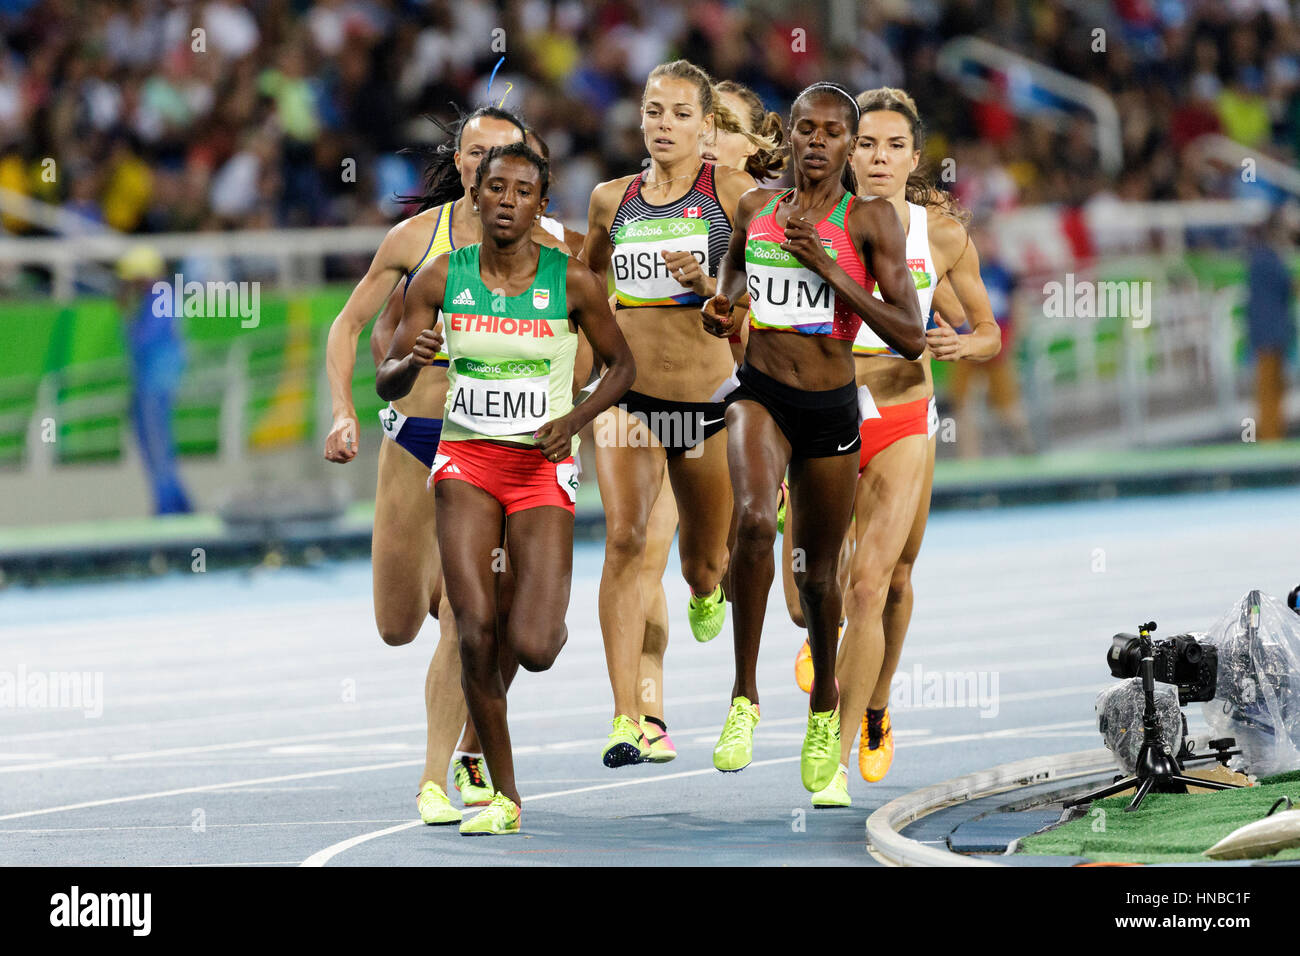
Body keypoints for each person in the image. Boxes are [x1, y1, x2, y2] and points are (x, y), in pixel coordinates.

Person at [322, 105, 571, 825]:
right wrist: (343, 409)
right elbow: (348, 325)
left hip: (497, 448)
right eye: (474, 153)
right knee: (398, 622)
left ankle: (443, 771)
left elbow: (600, 330)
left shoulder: (550, 246)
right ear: (460, 163)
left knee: (466, 615)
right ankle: (462, 749)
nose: (487, 165)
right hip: (413, 437)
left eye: (503, 153)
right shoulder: (415, 240)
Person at [377, 142, 635, 835]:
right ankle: (504, 796)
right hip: (466, 463)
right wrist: (410, 361)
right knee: (473, 629)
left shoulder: (571, 282)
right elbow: (386, 380)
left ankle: (542, 615)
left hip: (539, 469)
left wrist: (574, 419)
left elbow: (622, 366)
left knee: (535, 644)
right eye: (495, 188)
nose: (507, 201)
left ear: (540, 206)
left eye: (523, 191)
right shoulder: (440, 277)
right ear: (478, 196)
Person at [701, 82, 924, 793]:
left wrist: (830, 271)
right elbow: (735, 266)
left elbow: (911, 337)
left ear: (851, 147)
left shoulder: (873, 221)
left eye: (837, 133)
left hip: (831, 407)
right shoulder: (757, 206)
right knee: (753, 519)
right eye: (808, 129)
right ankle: (743, 697)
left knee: (820, 580)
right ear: (790, 136)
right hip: (760, 395)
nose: (820, 142)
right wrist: (724, 303)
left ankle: (827, 703)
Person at [801, 88, 1001, 807]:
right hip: (822, 414)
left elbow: (987, 331)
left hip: (902, 412)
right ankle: (833, 650)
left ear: (914, 159)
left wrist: (962, 342)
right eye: (866, 145)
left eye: (893, 147)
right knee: (815, 587)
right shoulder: (805, 221)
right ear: (846, 151)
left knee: (883, 582)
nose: (878, 158)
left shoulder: (938, 233)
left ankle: (851, 732)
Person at [580, 60, 756, 767]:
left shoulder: (736, 197)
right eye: (654, 111)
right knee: (624, 542)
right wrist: (574, 388)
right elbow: (585, 283)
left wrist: (711, 289)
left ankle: (706, 589)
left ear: (706, 127)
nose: (663, 125)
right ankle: (627, 715)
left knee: (706, 562)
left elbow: (752, 301)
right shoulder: (609, 200)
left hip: (706, 404)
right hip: (629, 400)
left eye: (680, 114)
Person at [631, 79, 786, 763]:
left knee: (712, 563)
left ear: (755, 146)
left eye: (724, 124)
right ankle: (643, 713)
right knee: (639, 546)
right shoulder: (645, 198)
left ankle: (819, 660)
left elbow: (776, 337)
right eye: (706, 120)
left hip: (742, 403)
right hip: (649, 406)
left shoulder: (758, 211)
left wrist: (715, 296)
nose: (709, 134)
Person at [945, 219, 1033, 457]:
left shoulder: (1004, 273)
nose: (982, 244)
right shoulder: (954, 272)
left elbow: (1018, 310)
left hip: (996, 347)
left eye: (985, 238)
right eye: (976, 239)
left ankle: (1026, 452)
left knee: (1008, 407)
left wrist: (1011, 342)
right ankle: (969, 462)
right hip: (964, 346)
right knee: (964, 407)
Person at [118, 245, 193, 516]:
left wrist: (126, 315)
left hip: (155, 384)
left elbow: (141, 341)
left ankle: (170, 507)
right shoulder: (160, 297)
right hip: (154, 381)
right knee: (157, 447)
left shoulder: (159, 298)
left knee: (156, 447)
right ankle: (176, 504)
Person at [1245, 207, 1296, 442]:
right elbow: (1286, 287)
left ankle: (1273, 433)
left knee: (1275, 386)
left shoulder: (1265, 258)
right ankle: (1269, 436)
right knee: (1268, 387)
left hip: (1271, 330)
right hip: (1269, 331)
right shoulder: (1266, 259)